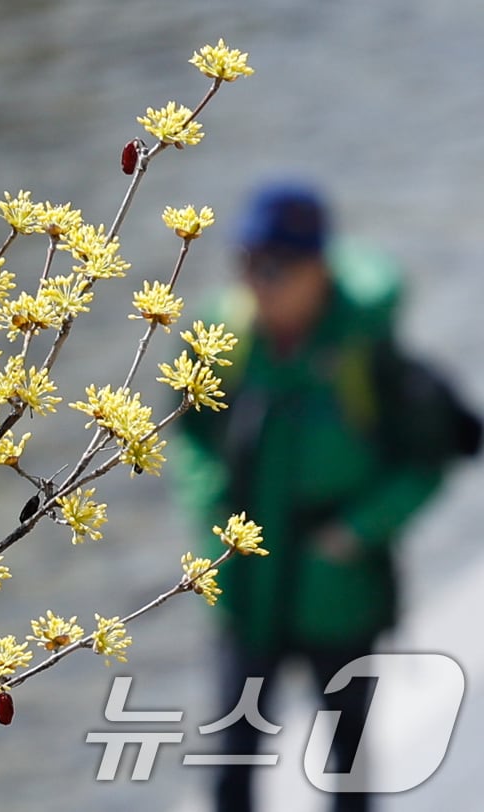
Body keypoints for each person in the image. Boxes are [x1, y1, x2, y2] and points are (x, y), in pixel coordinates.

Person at [174, 181, 456, 812]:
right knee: (230, 766)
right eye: (246, 262)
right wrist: (214, 504)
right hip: (247, 591)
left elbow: (429, 461)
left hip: (339, 595)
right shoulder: (221, 342)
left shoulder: (366, 350)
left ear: (319, 269)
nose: (258, 282)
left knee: (347, 766)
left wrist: (357, 530)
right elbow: (186, 436)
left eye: (275, 268)